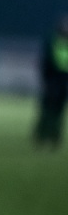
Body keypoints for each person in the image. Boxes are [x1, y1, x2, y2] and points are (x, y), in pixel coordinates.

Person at [35, 16, 68, 150]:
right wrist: (45, 80)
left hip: (64, 81)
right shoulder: (51, 42)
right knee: (47, 110)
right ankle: (42, 134)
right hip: (52, 80)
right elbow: (44, 63)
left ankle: (55, 135)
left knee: (59, 111)